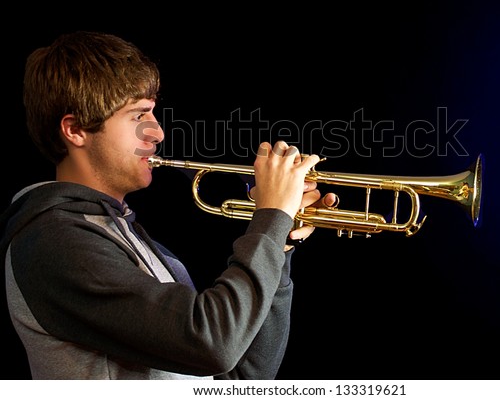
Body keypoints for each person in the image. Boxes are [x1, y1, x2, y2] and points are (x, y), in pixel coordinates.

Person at [0, 31, 337, 380]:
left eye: (153, 113)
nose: (158, 133)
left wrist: (279, 245)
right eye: (137, 115)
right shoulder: (55, 240)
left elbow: (245, 376)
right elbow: (213, 344)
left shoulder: (127, 237)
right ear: (75, 130)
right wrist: (270, 218)